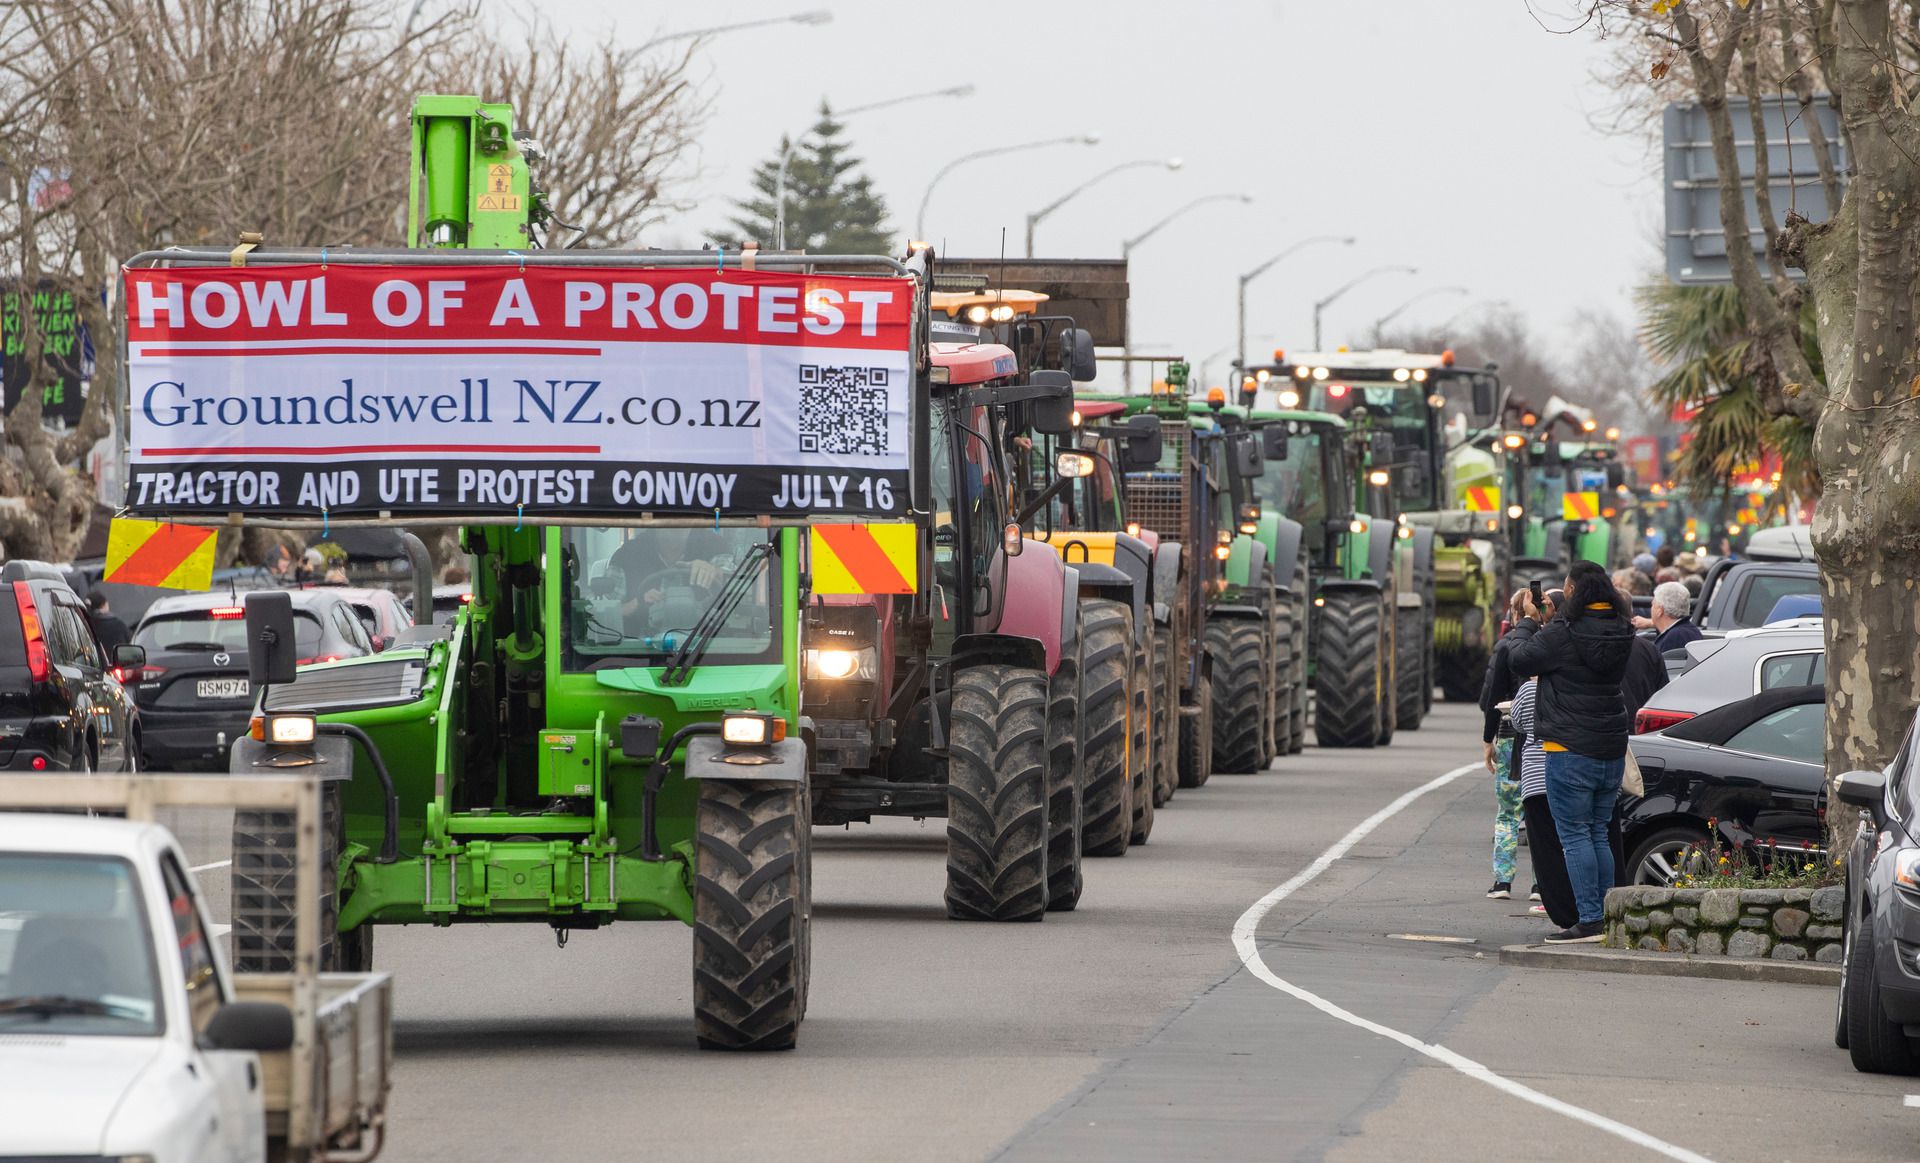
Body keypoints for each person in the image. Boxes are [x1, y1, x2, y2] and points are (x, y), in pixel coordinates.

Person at [1506, 559, 1635, 943]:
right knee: (1598, 831)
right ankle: (1607, 915)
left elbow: (1519, 658)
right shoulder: (1622, 628)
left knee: (1575, 836)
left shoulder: (1563, 632)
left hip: (1569, 747)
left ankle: (1590, 919)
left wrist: (1529, 622)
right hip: (1610, 745)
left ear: (1573, 591)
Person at [1511, 666, 1578, 929]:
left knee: (1546, 848)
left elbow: (1517, 722)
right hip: (1569, 775)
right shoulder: (1570, 687)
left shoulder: (1528, 690)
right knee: (1570, 841)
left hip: (1535, 779)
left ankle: (1555, 904)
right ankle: (1577, 903)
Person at [1478, 589, 1531, 900]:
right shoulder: (1547, 644)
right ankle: (1541, 886)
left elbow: (1491, 699)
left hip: (1510, 733)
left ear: (1513, 614)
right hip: (1541, 738)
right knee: (1541, 813)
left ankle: (1502, 881)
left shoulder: (1506, 647)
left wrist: (1488, 740)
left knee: (1508, 812)